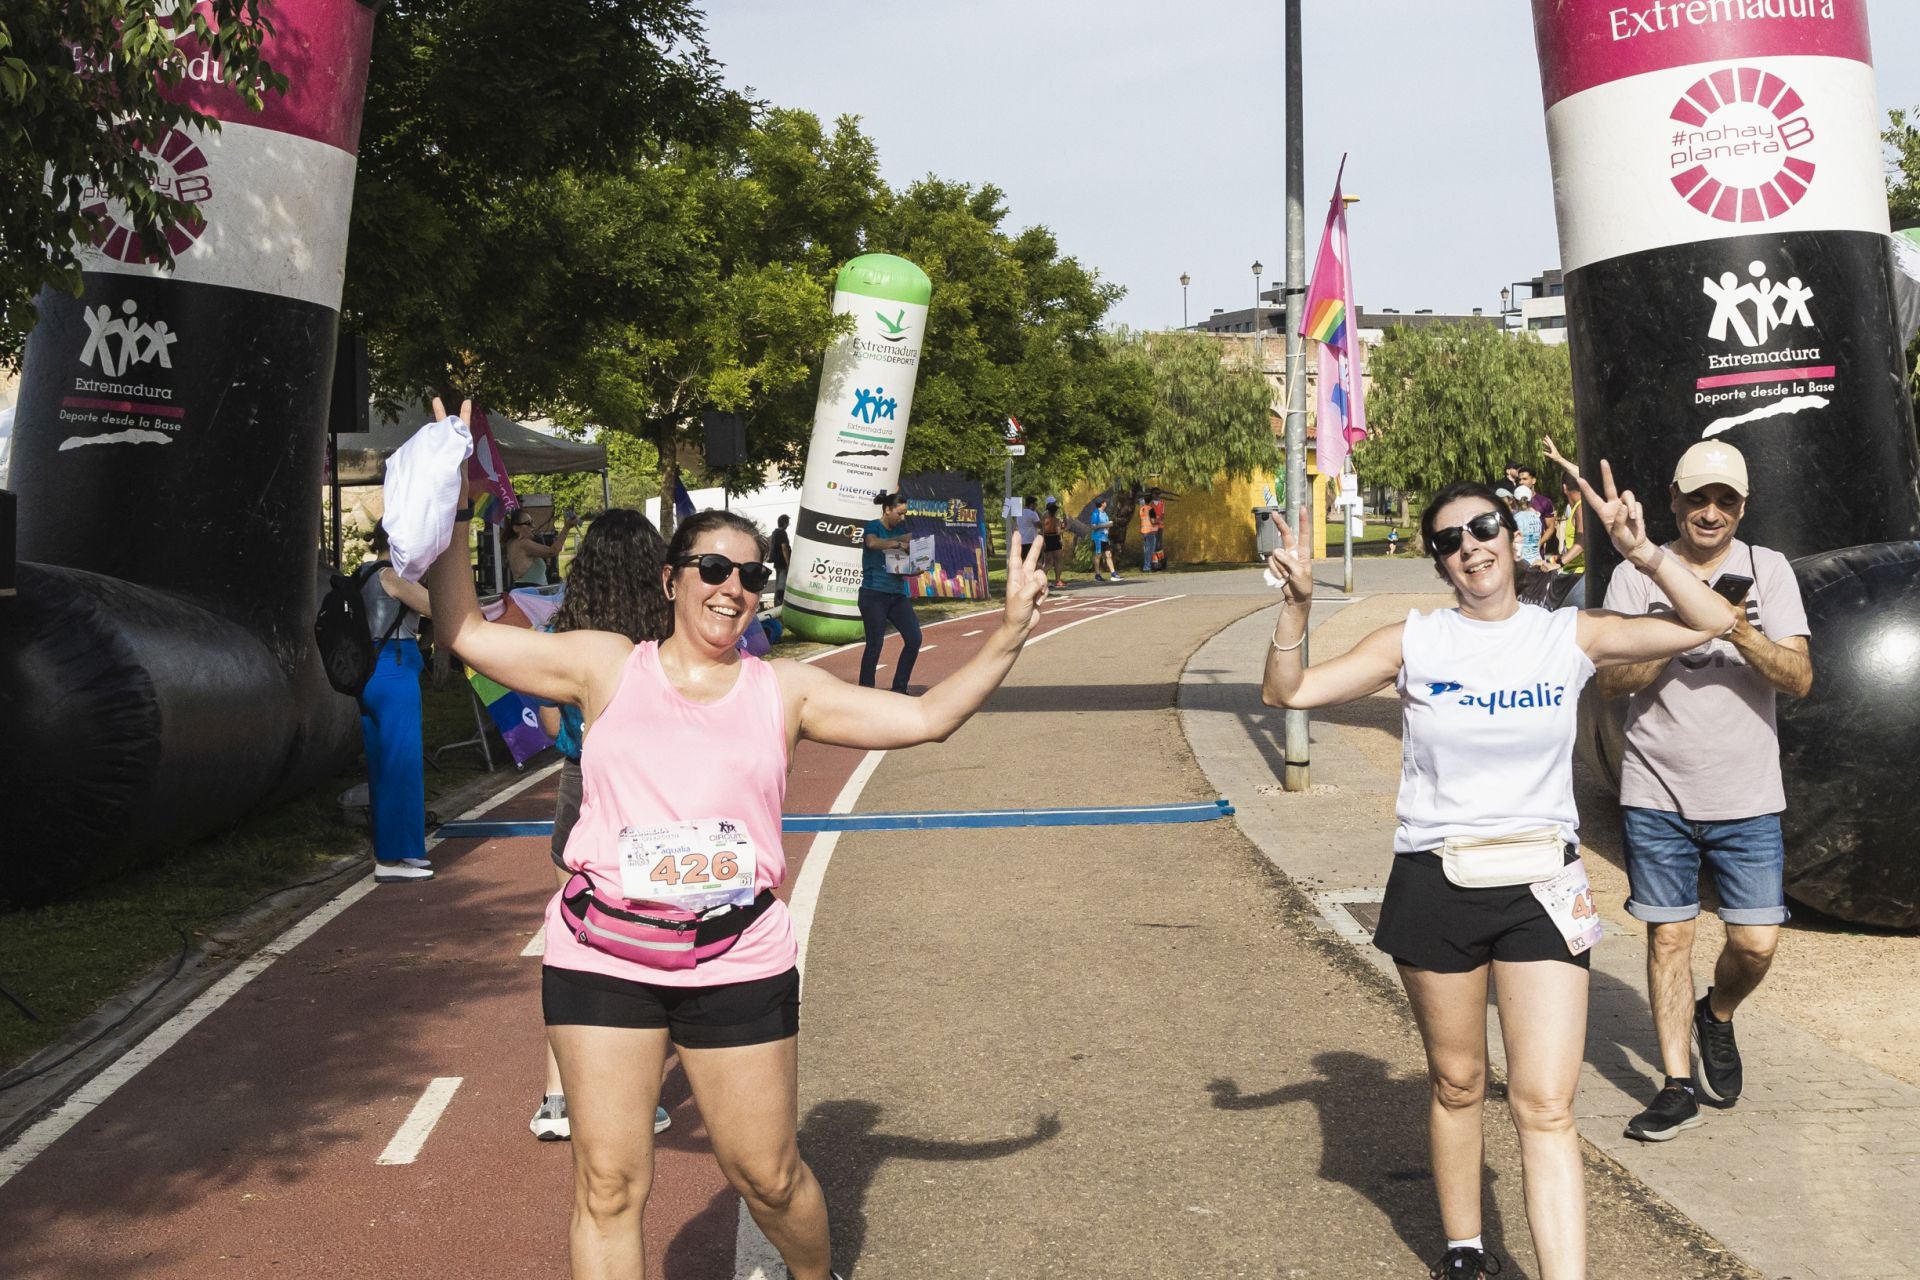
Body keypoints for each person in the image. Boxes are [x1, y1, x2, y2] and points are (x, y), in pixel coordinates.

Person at [421, 395, 1050, 1280]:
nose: (732, 589)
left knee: (768, 1175)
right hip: (605, 953)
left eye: (752, 577)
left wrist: (1010, 636)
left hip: (735, 957)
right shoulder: (605, 665)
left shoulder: (783, 690)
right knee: (606, 1183)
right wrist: (451, 508)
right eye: (713, 567)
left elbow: (928, 716)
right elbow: (466, 632)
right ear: (674, 577)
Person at [1260, 450, 1740, 1280]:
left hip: (1541, 889)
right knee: (1457, 1082)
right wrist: (1296, 609)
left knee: (1545, 1105)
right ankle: (1465, 1249)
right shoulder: (1413, 640)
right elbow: (1289, 694)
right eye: (1450, 541)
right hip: (1435, 880)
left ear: (1513, 539)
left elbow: (1711, 623)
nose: (1471, 547)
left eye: (1485, 528)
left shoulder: (1567, 634)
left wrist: (1643, 553)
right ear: (1439, 561)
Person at [1597, 441, 1812, 1144]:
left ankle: (1714, 1013)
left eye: (1724, 500)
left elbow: (1800, 677)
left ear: (1742, 507)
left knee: (1755, 943)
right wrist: (1680, 629)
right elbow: (1613, 682)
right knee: (1670, 938)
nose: (1710, 512)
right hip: (1656, 787)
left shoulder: (1768, 571)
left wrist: (1739, 630)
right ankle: (1676, 1084)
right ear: (1674, 500)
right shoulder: (1637, 575)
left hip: (1747, 793)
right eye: (1698, 498)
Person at [529, 509, 675, 1145]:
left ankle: (559, 1096)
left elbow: (542, 718)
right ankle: (636, 1095)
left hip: (579, 779)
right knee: (655, 927)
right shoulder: (670, 632)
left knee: (575, 926)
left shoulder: (568, 630)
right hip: (654, 787)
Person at [359, 522, 435, 883]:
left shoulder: (361, 574)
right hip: (396, 669)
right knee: (402, 764)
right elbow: (437, 608)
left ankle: (400, 848)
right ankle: (391, 858)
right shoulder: (393, 576)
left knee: (382, 765)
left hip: (368, 672)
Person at [858, 490, 922, 693]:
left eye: (905, 514)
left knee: (914, 638)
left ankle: (900, 688)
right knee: (875, 645)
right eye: (899, 513)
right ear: (887, 510)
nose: (902, 518)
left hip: (896, 594)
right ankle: (865, 691)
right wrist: (897, 544)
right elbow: (872, 543)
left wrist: (915, 569)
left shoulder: (900, 531)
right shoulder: (873, 526)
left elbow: (900, 566)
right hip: (873, 594)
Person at [507, 507, 578, 587]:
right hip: (531, 592)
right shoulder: (523, 543)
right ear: (516, 528)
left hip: (527, 591)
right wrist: (567, 527)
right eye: (528, 523)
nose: (533, 526)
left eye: (532, 522)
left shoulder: (513, 542)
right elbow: (553, 551)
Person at [1089, 496, 1122, 582]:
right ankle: (1097, 574)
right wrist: (1105, 525)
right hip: (1098, 538)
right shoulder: (1096, 513)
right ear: (1102, 504)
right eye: (1105, 502)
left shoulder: (1104, 513)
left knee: (1108, 554)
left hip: (1105, 538)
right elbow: (1093, 526)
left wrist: (1109, 525)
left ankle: (1113, 573)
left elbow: (1106, 524)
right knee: (1098, 555)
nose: (1106, 503)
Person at [1510, 484, 1544, 565]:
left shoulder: (1515, 519)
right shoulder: (1536, 517)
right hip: (1537, 561)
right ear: (1530, 500)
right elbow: (1538, 540)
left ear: (1514, 500)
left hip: (1522, 564)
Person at [1040, 500, 1066, 588]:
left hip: (1046, 539)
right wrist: (1064, 528)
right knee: (1058, 560)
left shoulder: (1044, 519)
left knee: (1048, 562)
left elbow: (1042, 531)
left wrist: (1043, 540)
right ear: (1055, 511)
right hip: (1054, 539)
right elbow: (1058, 531)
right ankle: (1058, 580)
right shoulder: (1056, 520)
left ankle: (1041, 580)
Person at [770, 513, 792, 605]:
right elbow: (784, 548)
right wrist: (788, 562)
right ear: (785, 523)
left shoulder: (774, 532)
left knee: (778, 581)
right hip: (782, 561)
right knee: (782, 582)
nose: (788, 525)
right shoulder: (782, 533)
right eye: (788, 523)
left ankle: (776, 602)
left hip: (776, 561)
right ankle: (780, 600)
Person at [1014, 495, 1042, 564]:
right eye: (1036, 504)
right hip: (1031, 542)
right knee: (1035, 563)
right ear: (1031, 504)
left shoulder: (1019, 514)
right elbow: (1040, 526)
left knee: (1023, 562)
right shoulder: (1033, 514)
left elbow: (1016, 526)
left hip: (1022, 542)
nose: (1036, 506)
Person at [1138, 493, 1161, 573]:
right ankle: (1147, 567)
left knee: (1146, 550)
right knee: (1150, 550)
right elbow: (1153, 521)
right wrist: (1159, 520)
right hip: (1150, 532)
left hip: (1144, 531)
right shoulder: (1151, 509)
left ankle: (1147, 566)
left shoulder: (1142, 509)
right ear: (1151, 501)